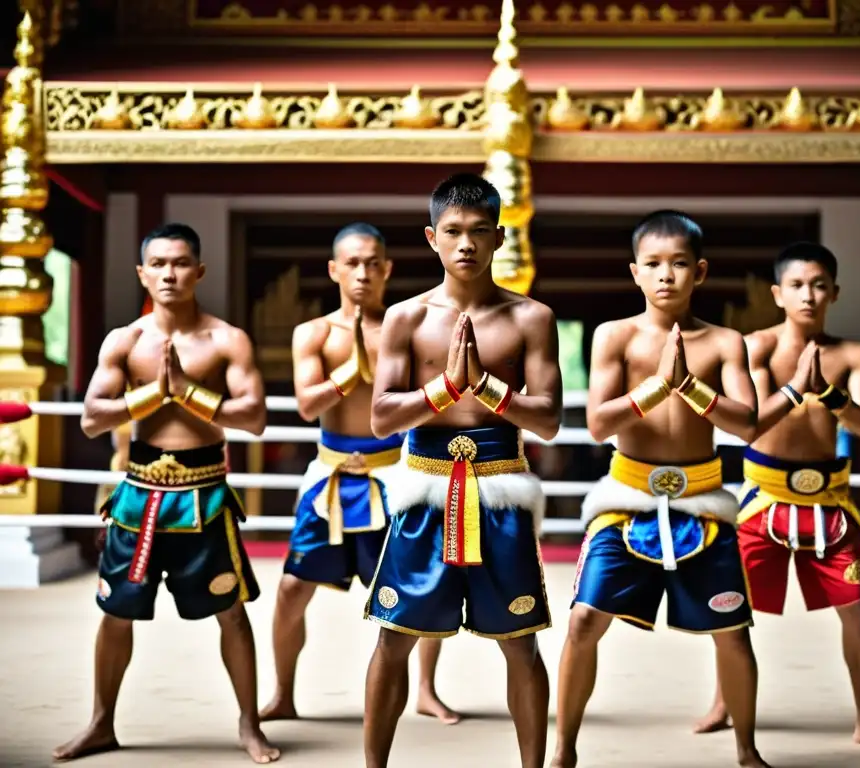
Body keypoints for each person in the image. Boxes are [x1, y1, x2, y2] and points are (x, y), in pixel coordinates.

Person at [54, 223, 279, 764]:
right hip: (139, 494)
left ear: (199, 271)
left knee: (231, 611)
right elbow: (90, 419)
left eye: (180, 263)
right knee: (116, 613)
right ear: (142, 273)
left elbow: (253, 419)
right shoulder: (125, 341)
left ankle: (250, 725)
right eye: (158, 264)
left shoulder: (227, 339)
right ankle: (101, 723)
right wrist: (156, 394)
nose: (169, 273)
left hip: (205, 494)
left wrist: (189, 394)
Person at [552, 211, 769, 768]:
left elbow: (748, 425)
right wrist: (655, 390)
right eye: (653, 264)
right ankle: (562, 751)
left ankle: (747, 752)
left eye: (677, 264)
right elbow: (599, 425)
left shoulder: (724, 342)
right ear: (635, 272)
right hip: (626, 499)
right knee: (582, 621)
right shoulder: (614, 336)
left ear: (699, 271)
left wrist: (691, 388)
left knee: (733, 630)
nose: (665, 276)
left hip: (702, 498)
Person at [363, 174, 562, 768]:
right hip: (425, 489)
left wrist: (489, 391)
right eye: (452, 231)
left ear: (499, 237)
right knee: (394, 636)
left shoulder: (531, 317)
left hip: (499, 488)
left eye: (479, 232)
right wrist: (448, 388)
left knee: (520, 644)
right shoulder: (405, 317)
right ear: (432, 237)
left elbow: (548, 421)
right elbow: (380, 419)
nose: (466, 244)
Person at [695, 242, 860, 752]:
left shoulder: (853, 354)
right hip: (764, 496)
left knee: (857, 608)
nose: (808, 295)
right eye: (796, 285)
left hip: (829, 501)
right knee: (731, 607)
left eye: (818, 285)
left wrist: (831, 394)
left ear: (834, 292)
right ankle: (724, 702)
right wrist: (796, 387)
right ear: (778, 293)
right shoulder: (755, 347)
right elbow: (750, 424)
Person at [259, 223, 459, 725]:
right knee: (290, 589)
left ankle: (426, 690)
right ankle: (283, 691)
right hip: (331, 475)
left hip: (395, 472)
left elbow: (429, 403)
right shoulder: (315, 332)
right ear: (334, 270)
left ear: (387, 269)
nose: (363, 273)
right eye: (352, 263)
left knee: (421, 586)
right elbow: (307, 406)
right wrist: (353, 369)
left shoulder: (410, 327)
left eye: (373, 262)